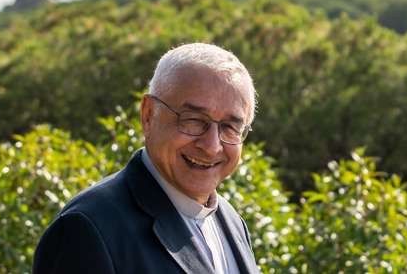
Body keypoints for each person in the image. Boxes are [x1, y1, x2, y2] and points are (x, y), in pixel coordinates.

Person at [33, 43, 260, 273]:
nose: (212, 147)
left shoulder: (232, 221)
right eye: (193, 119)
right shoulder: (87, 229)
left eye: (230, 127)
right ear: (148, 114)